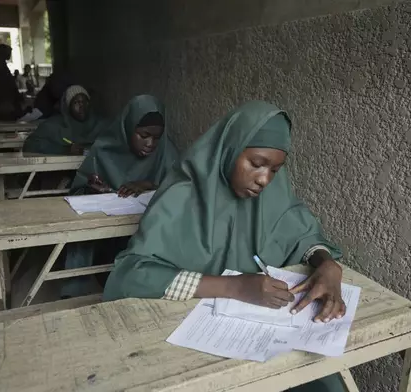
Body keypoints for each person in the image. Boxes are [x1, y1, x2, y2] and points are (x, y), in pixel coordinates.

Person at [103, 101, 346, 392]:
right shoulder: (181, 195)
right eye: (256, 164)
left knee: (321, 376)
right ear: (230, 149)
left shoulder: (269, 193)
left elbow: (301, 232)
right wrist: (233, 286)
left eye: (275, 170)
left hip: (260, 329)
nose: (264, 179)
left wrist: (326, 263)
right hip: (191, 337)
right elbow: (131, 273)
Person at [61, 94, 179, 299]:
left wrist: (151, 185)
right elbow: (78, 192)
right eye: (143, 135)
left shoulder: (166, 151)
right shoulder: (105, 148)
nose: (151, 143)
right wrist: (96, 189)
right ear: (127, 127)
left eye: (156, 137)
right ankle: (75, 289)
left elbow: (182, 191)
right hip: (108, 238)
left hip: (147, 239)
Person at [22, 85, 109, 155]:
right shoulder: (55, 126)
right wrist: (65, 150)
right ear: (68, 107)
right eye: (76, 102)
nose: (81, 106)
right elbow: (29, 145)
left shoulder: (100, 125)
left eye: (84, 102)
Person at [0, 44, 24, 121]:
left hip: (5, 102)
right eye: (8, 52)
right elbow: (7, 86)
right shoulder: (1, 69)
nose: (10, 54)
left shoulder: (0, 67)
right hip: (6, 103)